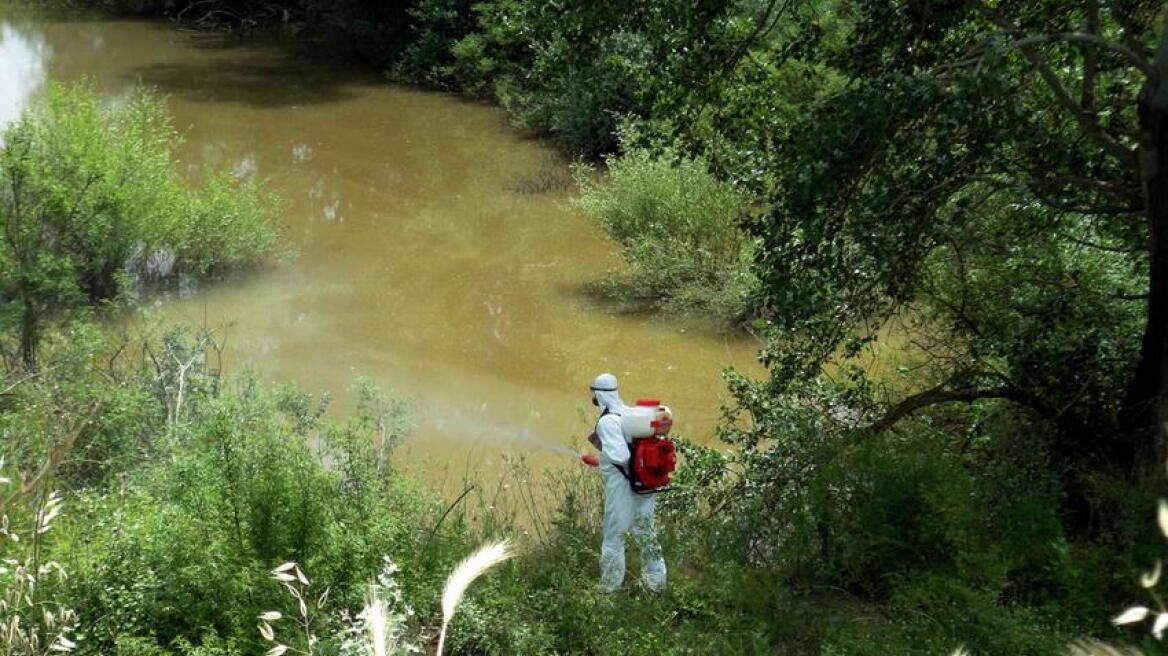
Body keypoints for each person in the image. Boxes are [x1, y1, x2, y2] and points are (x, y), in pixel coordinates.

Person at [588, 372, 667, 593]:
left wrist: (602, 448)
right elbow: (631, 452)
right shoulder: (631, 415)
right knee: (646, 533)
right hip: (645, 483)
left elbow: (621, 457)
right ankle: (656, 585)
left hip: (622, 486)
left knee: (614, 536)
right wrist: (602, 456)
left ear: (599, 395)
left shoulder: (607, 421)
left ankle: (609, 590)